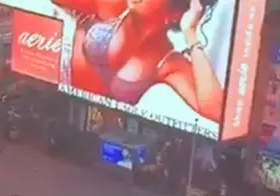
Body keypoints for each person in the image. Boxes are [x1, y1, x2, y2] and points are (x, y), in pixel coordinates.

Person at [54, 0, 224, 122]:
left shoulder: (167, 62)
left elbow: (215, 110)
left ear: (175, 13)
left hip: (91, 121)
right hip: (51, 80)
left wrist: (191, 33)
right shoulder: (116, 5)